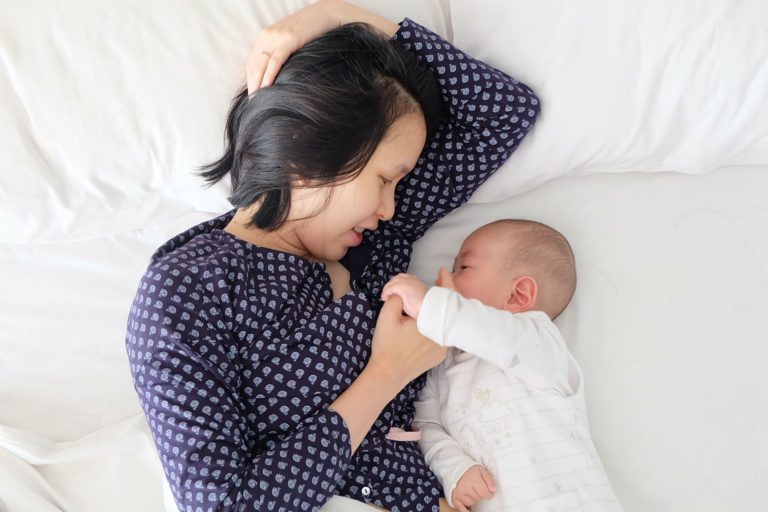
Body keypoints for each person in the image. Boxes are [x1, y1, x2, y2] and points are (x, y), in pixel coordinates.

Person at [124, 0, 540, 510]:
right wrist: (386, 374)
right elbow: (223, 504)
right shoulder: (187, 289)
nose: (390, 207)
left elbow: (503, 112)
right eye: (386, 179)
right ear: (307, 150)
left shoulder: (376, 241)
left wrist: (337, 17)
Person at [381, 219, 623, 512]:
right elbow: (427, 424)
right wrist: (456, 468)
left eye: (464, 268)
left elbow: (487, 332)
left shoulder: (537, 341)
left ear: (517, 295)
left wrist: (432, 306)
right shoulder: (442, 360)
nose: (444, 276)